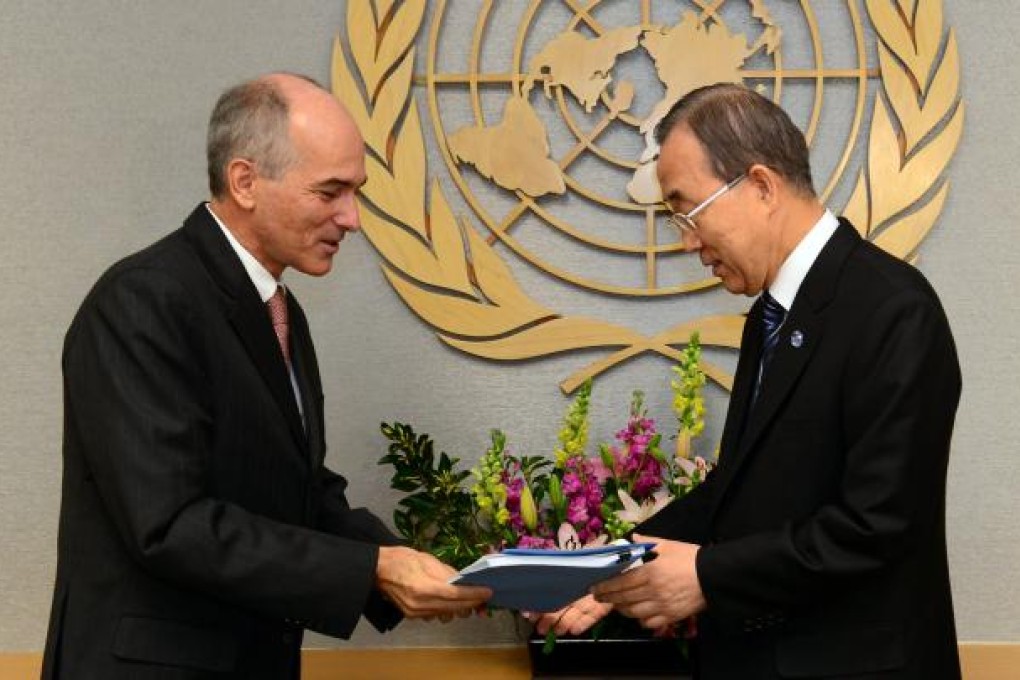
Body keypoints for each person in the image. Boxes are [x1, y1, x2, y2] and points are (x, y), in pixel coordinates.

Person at [42, 73, 491, 679]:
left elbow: (297, 493)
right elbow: (169, 525)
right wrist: (374, 570)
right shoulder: (142, 302)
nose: (352, 218)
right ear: (246, 181)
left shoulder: (278, 309)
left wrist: (408, 562)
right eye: (330, 192)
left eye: (354, 192)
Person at [538, 83, 962, 679]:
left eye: (688, 211)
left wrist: (705, 577)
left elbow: (877, 524)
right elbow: (739, 493)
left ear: (760, 186)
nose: (688, 241)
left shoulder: (893, 309)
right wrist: (606, 568)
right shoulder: (771, 316)